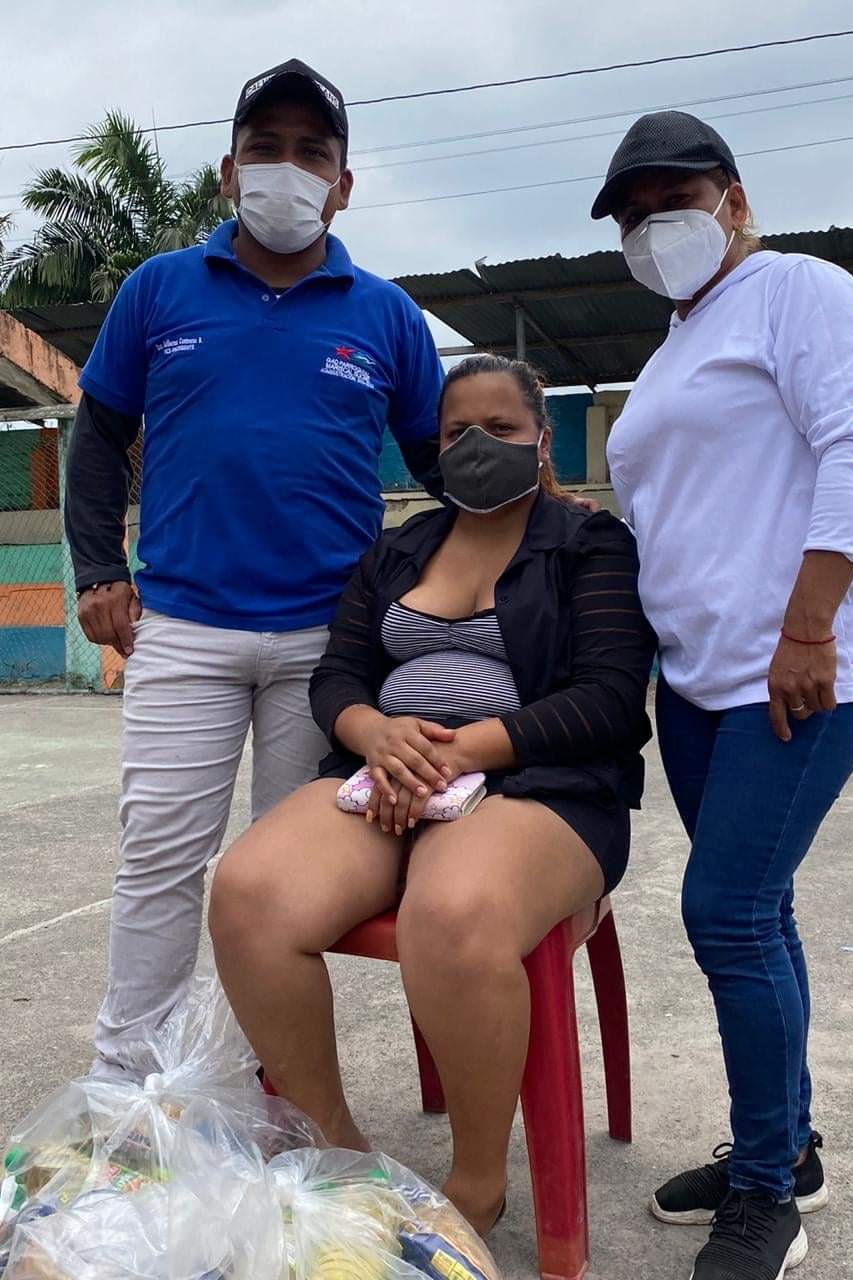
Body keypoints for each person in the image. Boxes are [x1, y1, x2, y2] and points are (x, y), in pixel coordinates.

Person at [209, 354, 656, 1235]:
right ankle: (335, 1152)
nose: (478, 445)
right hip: (389, 771)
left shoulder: (590, 543)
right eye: (458, 432)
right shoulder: (399, 548)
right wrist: (376, 735)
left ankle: (475, 1186)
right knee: (248, 892)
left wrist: (461, 752)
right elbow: (339, 674)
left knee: (452, 912)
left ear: (541, 440)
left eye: (501, 428)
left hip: (542, 786)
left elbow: (609, 698)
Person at [65, 59, 447, 1080]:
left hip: (329, 645)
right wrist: (99, 566)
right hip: (182, 628)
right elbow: (97, 436)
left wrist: (537, 518)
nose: (288, 169)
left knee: (283, 881)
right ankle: (125, 1086)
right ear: (229, 173)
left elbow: (445, 463)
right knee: (158, 859)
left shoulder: (386, 316)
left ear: (343, 185)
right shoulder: (160, 290)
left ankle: (257, 1096)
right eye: (265, 149)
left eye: (311, 152)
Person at [591, 111, 853, 1280]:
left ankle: (767, 1190)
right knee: (760, 912)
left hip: (797, 669)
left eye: (671, 200)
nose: (651, 227)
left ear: (731, 196)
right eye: (631, 215)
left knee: (725, 912)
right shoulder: (675, 347)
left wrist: (810, 622)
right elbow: (681, 510)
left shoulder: (797, 290)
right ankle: (788, 1146)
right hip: (698, 685)